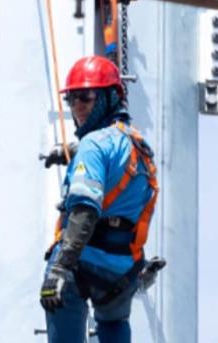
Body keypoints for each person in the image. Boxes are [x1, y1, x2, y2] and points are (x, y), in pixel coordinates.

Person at [40, 56, 159, 342]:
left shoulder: (93, 145)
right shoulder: (141, 148)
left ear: (108, 97)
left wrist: (60, 267)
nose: (77, 107)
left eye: (86, 97)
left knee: (60, 302)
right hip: (121, 272)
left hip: (82, 261)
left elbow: (85, 210)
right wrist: (72, 150)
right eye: (72, 99)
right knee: (114, 322)